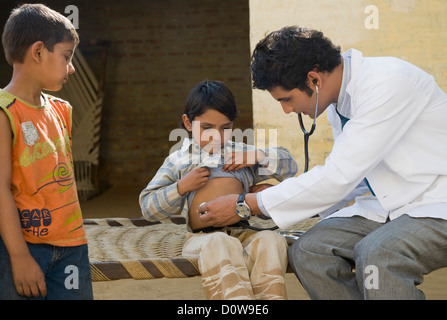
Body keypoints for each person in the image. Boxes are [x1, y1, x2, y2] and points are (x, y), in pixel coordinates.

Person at [197, 26, 447, 299]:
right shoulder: (339, 103)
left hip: (435, 202)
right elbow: (353, 179)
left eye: (287, 99)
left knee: (378, 254)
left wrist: (246, 205)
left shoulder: (387, 83)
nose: (287, 110)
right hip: (391, 205)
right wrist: (279, 196)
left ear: (313, 79)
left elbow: (338, 177)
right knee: (309, 251)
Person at [139, 80, 298, 300]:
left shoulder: (242, 154)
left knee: (272, 240)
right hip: (203, 240)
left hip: (245, 234)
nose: (217, 135)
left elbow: (290, 167)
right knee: (220, 242)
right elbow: (148, 206)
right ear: (187, 122)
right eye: (207, 128)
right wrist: (181, 187)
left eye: (225, 128)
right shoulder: (179, 161)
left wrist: (259, 156)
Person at [0, 4, 93, 299]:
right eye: (67, 57)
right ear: (38, 52)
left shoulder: (61, 110)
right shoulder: (5, 112)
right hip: (24, 248)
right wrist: (19, 257)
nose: (72, 67)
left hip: (72, 247)